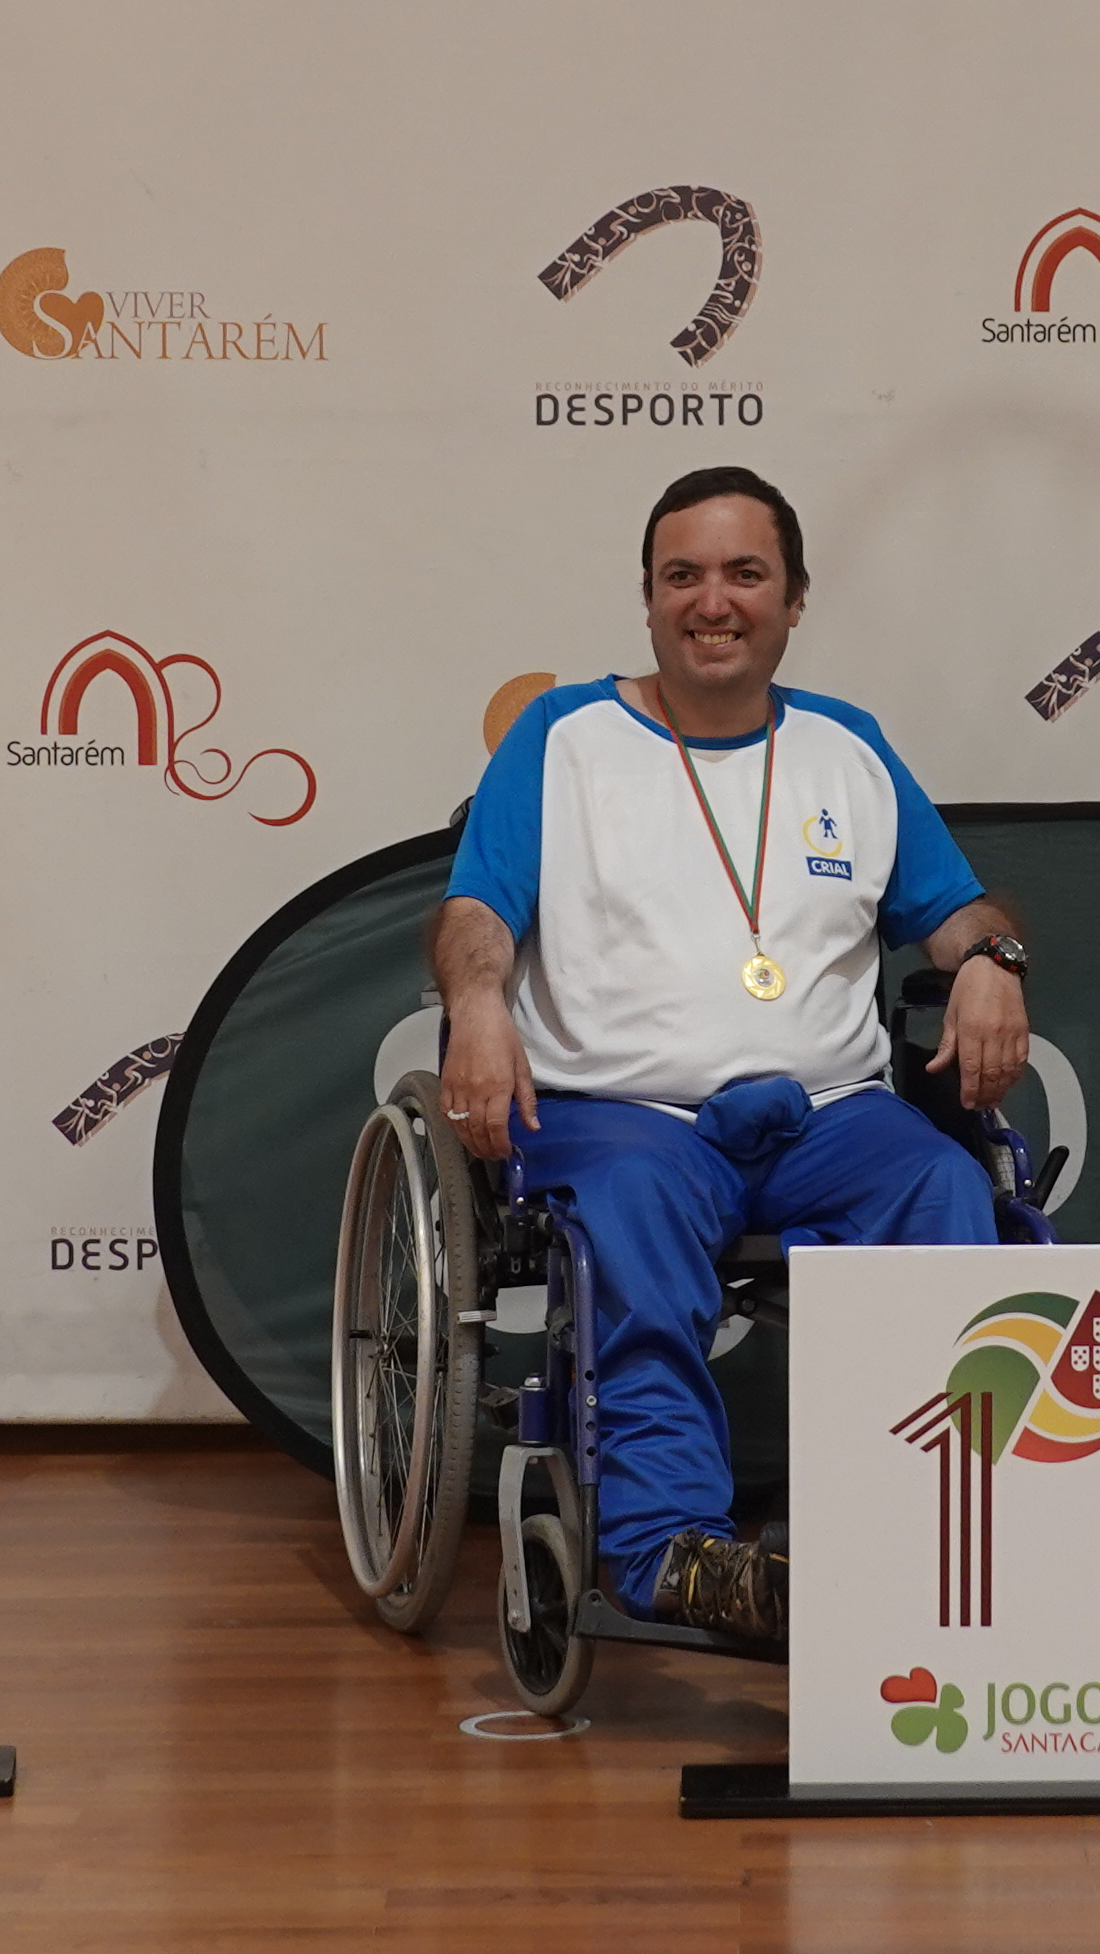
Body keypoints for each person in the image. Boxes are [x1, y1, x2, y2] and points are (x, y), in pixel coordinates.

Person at [430, 465, 1036, 1644]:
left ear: (795, 599)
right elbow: (476, 910)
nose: (713, 601)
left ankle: (940, 1531)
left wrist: (990, 959)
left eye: (745, 574)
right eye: (684, 576)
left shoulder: (847, 746)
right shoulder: (563, 738)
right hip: (625, 1114)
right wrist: (478, 1002)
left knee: (943, 1183)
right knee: (634, 1217)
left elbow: (958, 911)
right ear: (649, 598)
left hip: (829, 1115)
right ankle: (672, 1553)